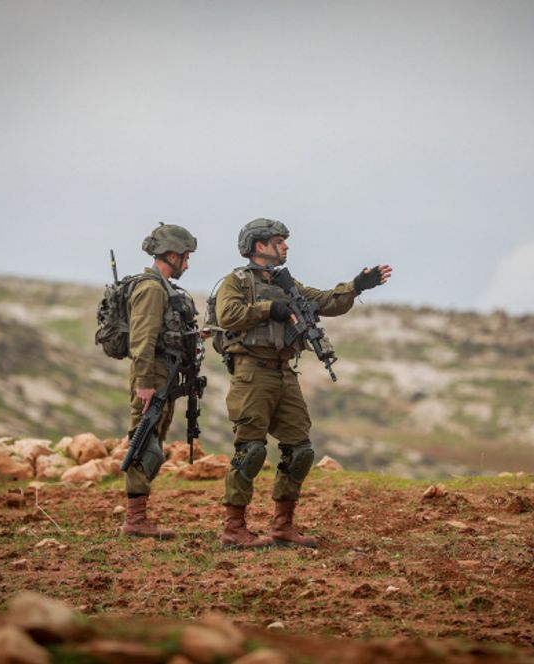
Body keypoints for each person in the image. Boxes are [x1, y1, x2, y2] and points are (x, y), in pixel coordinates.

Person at [213, 218, 391, 548]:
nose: (286, 246)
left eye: (284, 241)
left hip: (284, 373)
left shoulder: (287, 282)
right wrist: (271, 309)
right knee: (250, 450)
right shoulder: (236, 281)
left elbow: (325, 301)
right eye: (279, 240)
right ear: (259, 246)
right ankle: (234, 530)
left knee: (300, 450)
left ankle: (283, 527)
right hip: (251, 373)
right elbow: (228, 315)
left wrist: (357, 285)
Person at [119, 223, 199, 540]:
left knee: (154, 440)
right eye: (185, 257)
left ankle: (139, 515)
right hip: (151, 375)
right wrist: (144, 383)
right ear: (170, 254)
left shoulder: (163, 288)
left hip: (163, 374)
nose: (187, 264)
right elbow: (142, 341)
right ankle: (134, 520)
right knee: (144, 442)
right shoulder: (151, 289)